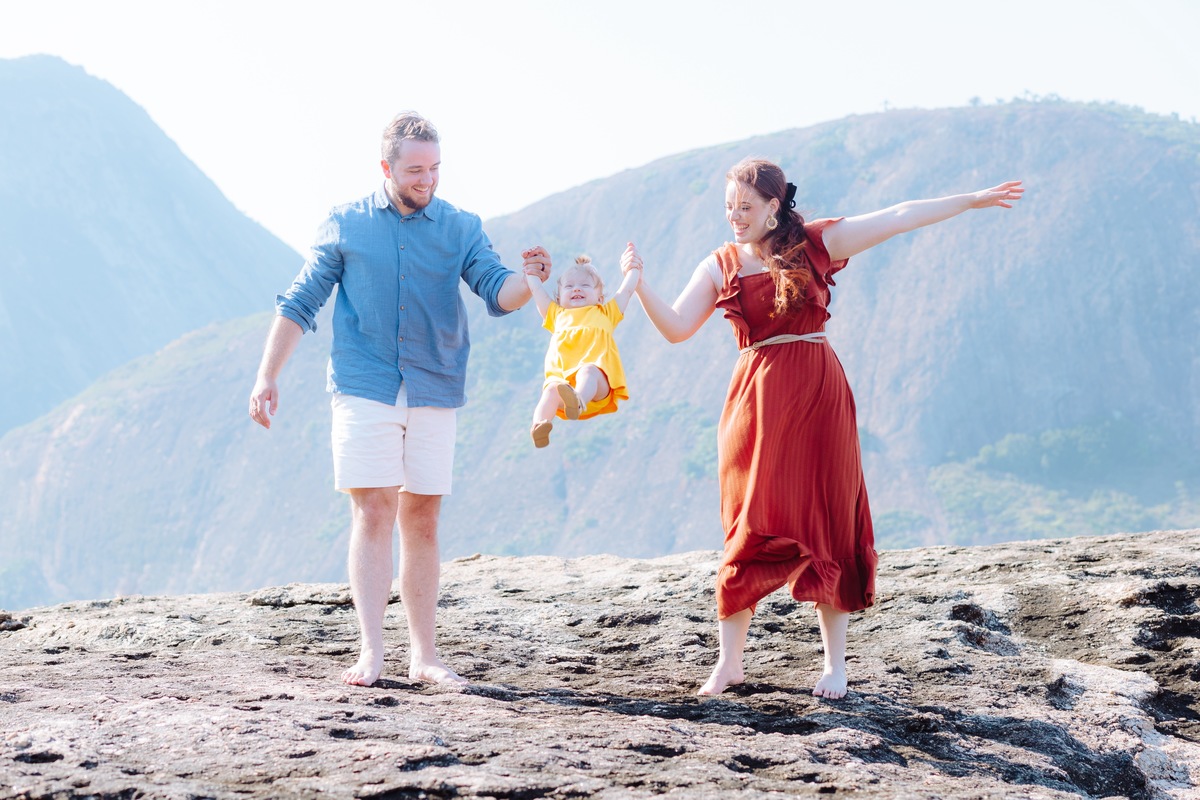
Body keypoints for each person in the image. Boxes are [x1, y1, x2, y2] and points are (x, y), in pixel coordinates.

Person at [626, 158, 1023, 698]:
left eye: (745, 208)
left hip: (819, 395)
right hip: (755, 403)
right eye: (728, 209)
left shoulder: (816, 244)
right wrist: (639, 284)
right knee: (748, 520)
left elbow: (899, 215)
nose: (735, 218)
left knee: (832, 521)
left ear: (774, 205)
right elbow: (676, 327)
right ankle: (729, 663)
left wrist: (970, 199)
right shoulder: (720, 263)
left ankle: (835, 665)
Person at [248, 111, 551, 688]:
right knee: (373, 511)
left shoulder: (461, 226)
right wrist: (268, 377)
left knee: (425, 518)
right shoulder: (346, 223)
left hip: (437, 385)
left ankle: (425, 656)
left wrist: (531, 277)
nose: (427, 179)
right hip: (365, 384)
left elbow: (498, 289)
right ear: (385, 167)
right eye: (415, 169)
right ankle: (370, 652)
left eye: (435, 168)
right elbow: (299, 301)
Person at [525, 250, 640, 447]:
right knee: (551, 389)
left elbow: (627, 290)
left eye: (585, 285)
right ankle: (539, 425)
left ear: (600, 297)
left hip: (595, 387)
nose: (576, 289)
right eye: (569, 286)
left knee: (588, 370)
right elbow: (537, 291)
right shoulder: (556, 315)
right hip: (564, 385)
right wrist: (530, 272)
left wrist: (634, 269)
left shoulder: (606, 313)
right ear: (559, 298)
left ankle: (577, 400)